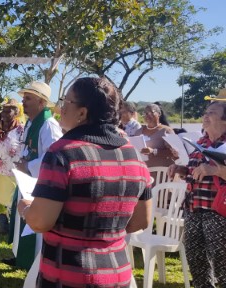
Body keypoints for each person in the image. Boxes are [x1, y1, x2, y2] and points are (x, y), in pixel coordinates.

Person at [17, 77, 152, 287]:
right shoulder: (133, 155)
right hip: (117, 274)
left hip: (67, 275)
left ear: (82, 112)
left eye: (66, 102)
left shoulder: (62, 153)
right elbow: (140, 221)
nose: (61, 108)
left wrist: (26, 209)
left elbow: (40, 221)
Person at [167, 93, 226, 287]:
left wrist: (216, 170)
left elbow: (212, 172)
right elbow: (194, 172)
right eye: (205, 112)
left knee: (222, 262)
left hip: (218, 212)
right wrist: (182, 170)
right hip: (193, 207)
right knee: (196, 259)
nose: (205, 115)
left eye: (212, 112)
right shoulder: (200, 143)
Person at [6, 81, 62, 269]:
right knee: (22, 217)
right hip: (27, 180)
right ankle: (21, 257)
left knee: (33, 221)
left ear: (41, 102)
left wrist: (28, 165)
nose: (23, 102)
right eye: (23, 98)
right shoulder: (31, 122)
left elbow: (53, 157)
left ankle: (35, 263)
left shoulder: (49, 125)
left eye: (28, 98)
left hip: (39, 184)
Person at [0, 99, 24, 234]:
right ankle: (3, 227)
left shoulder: (21, 129)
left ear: (16, 112)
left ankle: (14, 227)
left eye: (9, 111)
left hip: (13, 171)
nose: (5, 113)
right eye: (4, 110)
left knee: (11, 199)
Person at [135, 103, 176, 168]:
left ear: (159, 114)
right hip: (143, 171)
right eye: (145, 113)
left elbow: (174, 153)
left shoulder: (167, 131)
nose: (147, 115)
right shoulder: (138, 132)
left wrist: (154, 151)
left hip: (161, 172)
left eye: (150, 113)